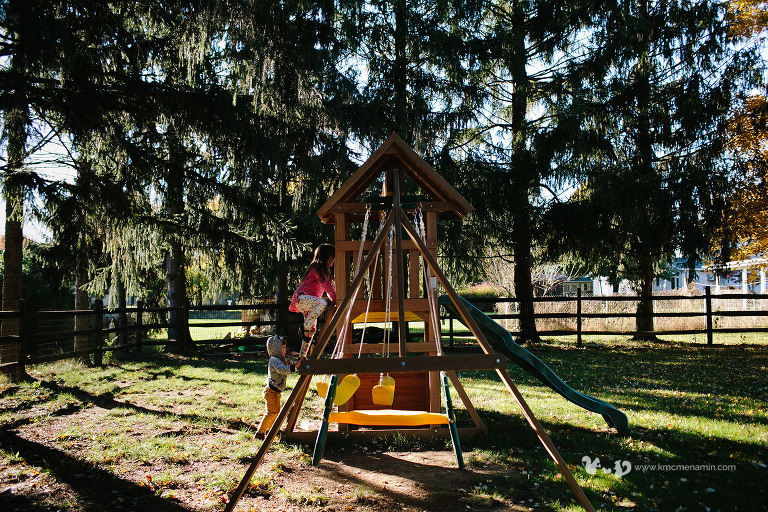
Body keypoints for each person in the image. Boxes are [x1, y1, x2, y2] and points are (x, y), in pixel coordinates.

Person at [289, 243, 336, 357]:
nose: (334, 260)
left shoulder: (324, 271)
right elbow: (328, 287)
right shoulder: (317, 268)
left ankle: (302, 356)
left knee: (311, 331)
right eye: (332, 257)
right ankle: (305, 327)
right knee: (323, 303)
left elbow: (329, 287)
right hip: (302, 298)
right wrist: (335, 299)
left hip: (309, 302)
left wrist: (334, 298)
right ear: (326, 257)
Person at [255, 335, 300, 440]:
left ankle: (271, 431)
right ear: (275, 349)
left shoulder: (282, 359)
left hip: (276, 392)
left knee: (275, 413)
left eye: (285, 347)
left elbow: (289, 363)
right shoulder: (274, 360)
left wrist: (297, 364)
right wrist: (294, 368)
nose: (285, 350)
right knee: (271, 413)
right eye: (283, 348)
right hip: (270, 392)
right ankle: (260, 432)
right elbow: (281, 369)